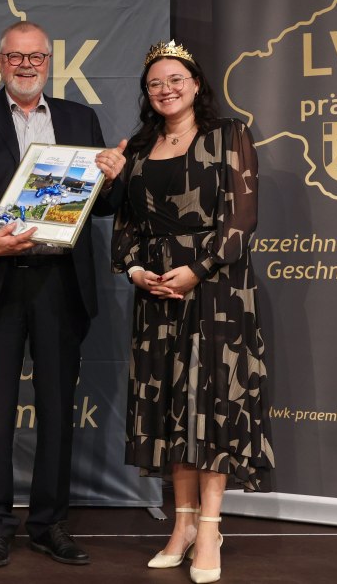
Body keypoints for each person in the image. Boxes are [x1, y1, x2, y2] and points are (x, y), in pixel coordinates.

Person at [0, 21, 124, 568]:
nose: (27, 65)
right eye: (16, 57)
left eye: (37, 57)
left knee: (55, 410)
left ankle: (49, 523)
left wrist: (112, 179)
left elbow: (102, 208)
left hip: (58, 283)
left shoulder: (78, 118)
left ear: (50, 62)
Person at [110, 40, 275, 584]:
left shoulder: (228, 135)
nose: (166, 89)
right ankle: (180, 526)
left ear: (196, 84)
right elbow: (127, 226)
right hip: (156, 292)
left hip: (215, 291)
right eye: (155, 82)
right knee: (170, 408)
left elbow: (240, 219)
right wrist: (135, 270)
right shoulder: (136, 146)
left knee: (210, 403)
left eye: (176, 79)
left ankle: (209, 526)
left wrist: (197, 270)